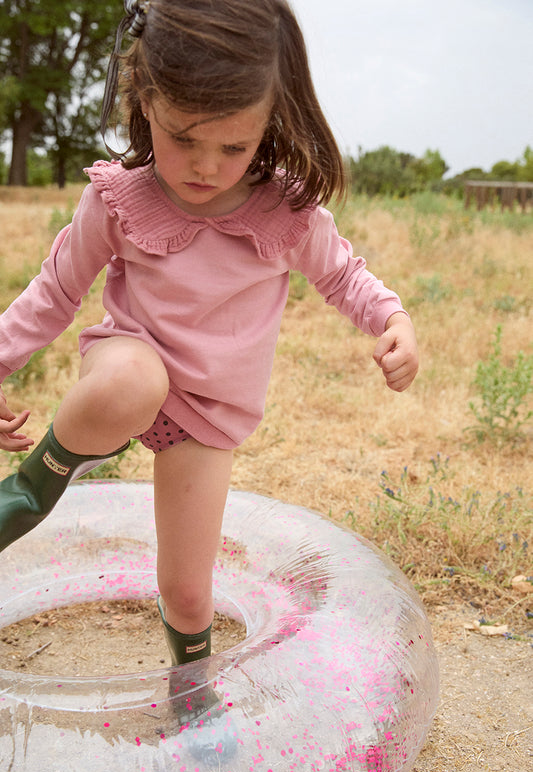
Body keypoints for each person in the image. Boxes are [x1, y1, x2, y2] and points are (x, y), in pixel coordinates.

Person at [0, 0, 418, 691]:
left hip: (210, 417)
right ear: (144, 102)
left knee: (191, 593)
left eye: (233, 147)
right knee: (133, 382)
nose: (204, 167)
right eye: (182, 138)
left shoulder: (286, 212)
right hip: (128, 364)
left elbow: (343, 273)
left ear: (268, 123)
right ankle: (30, 488)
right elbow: (52, 293)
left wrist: (391, 321)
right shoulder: (119, 199)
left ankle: (191, 698)